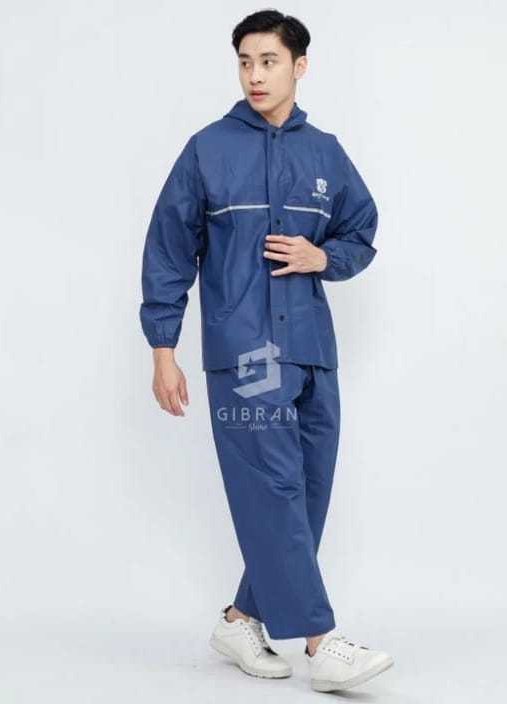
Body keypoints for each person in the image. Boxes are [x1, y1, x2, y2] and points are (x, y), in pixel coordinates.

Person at [139, 9, 393, 693]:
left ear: (299, 66)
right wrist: (163, 347)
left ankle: (239, 619)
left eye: (268, 61)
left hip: (311, 350)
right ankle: (321, 643)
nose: (254, 75)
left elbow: (361, 231)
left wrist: (323, 256)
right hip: (245, 353)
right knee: (275, 489)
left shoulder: (326, 153)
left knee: (307, 492)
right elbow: (168, 250)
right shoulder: (207, 150)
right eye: (245, 62)